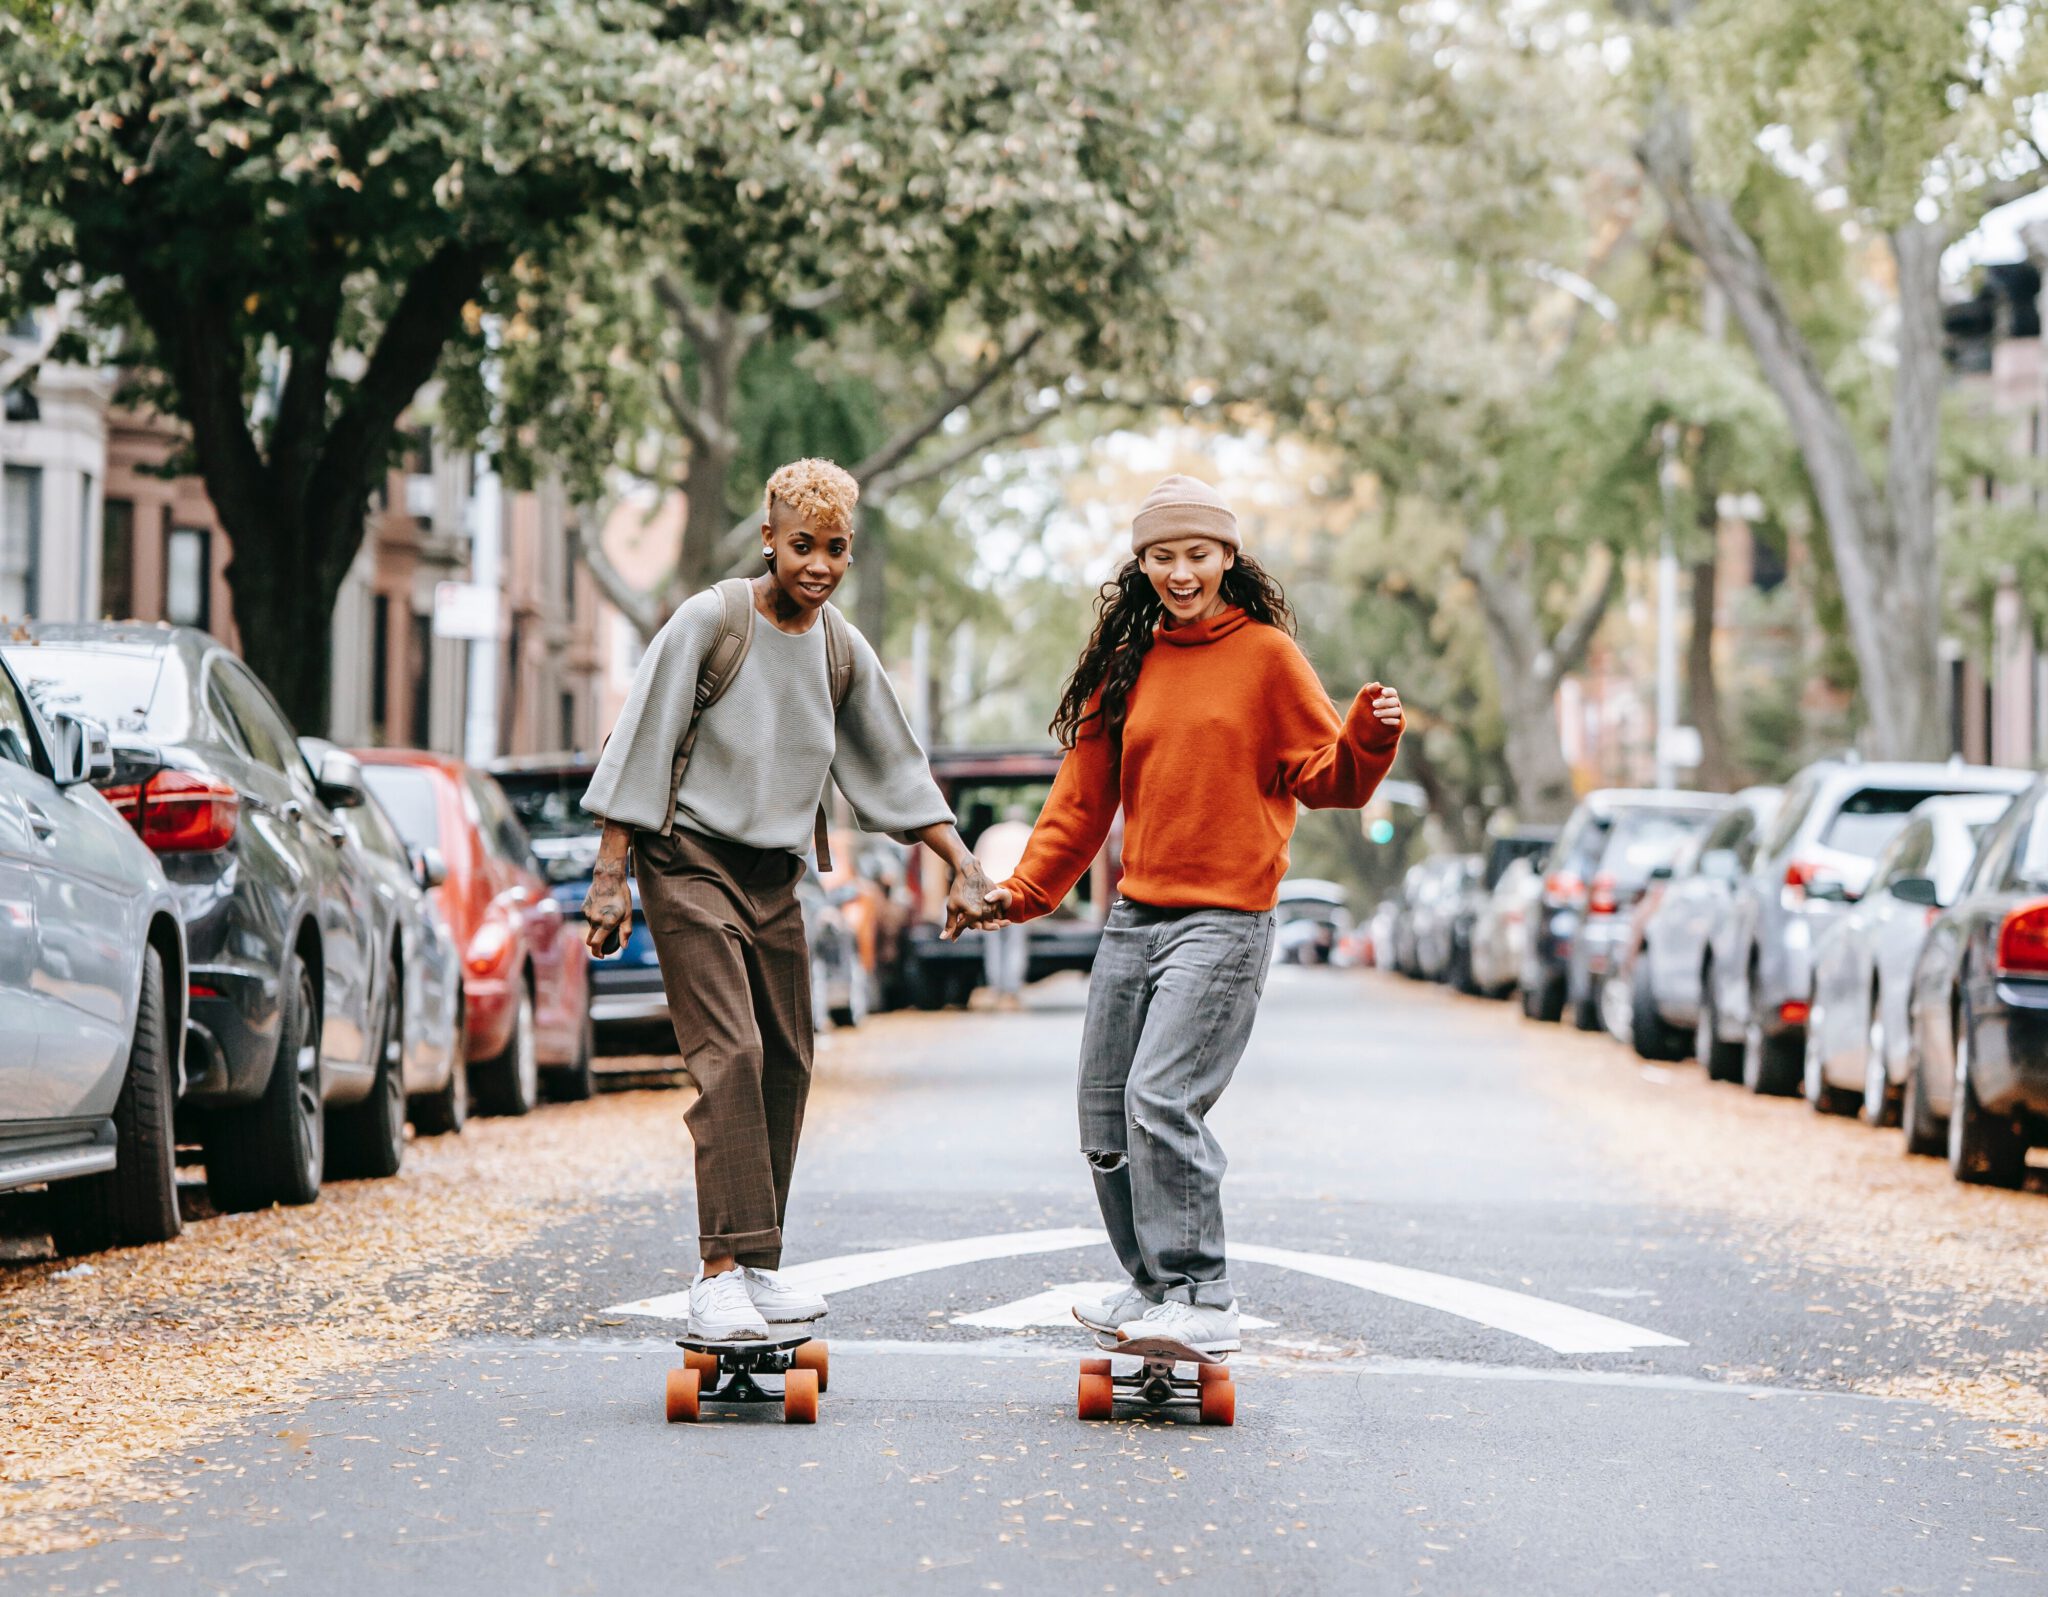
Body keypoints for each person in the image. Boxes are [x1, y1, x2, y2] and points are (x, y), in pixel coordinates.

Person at [972, 474, 1403, 1354]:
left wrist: (1368, 733)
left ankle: (1202, 1292)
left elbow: (1331, 779)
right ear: (1140, 565)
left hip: (1226, 921)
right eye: (1161, 557)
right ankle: (1153, 1284)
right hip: (1136, 918)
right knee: (1104, 1115)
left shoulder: (1268, 658)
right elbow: (1079, 806)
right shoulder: (1128, 667)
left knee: (1160, 1097)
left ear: (1228, 558)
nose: (1180, 571)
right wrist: (1016, 891)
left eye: (1196, 554)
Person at [579, 458, 992, 1342]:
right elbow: (641, 741)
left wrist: (960, 860)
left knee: (788, 1058)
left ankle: (757, 1263)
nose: (819, 564)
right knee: (728, 1053)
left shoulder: (840, 646)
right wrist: (611, 874)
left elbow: (894, 765)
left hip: (774, 876)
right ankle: (718, 1271)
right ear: (769, 537)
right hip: (686, 857)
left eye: (836, 549)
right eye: (802, 545)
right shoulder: (713, 619)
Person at [973, 805, 1035, 1009]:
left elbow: (975, 863)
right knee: (1015, 943)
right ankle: (1011, 991)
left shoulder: (989, 834)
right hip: (1014, 893)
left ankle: (995, 988)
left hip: (989, 893)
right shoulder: (1028, 833)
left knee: (993, 943)